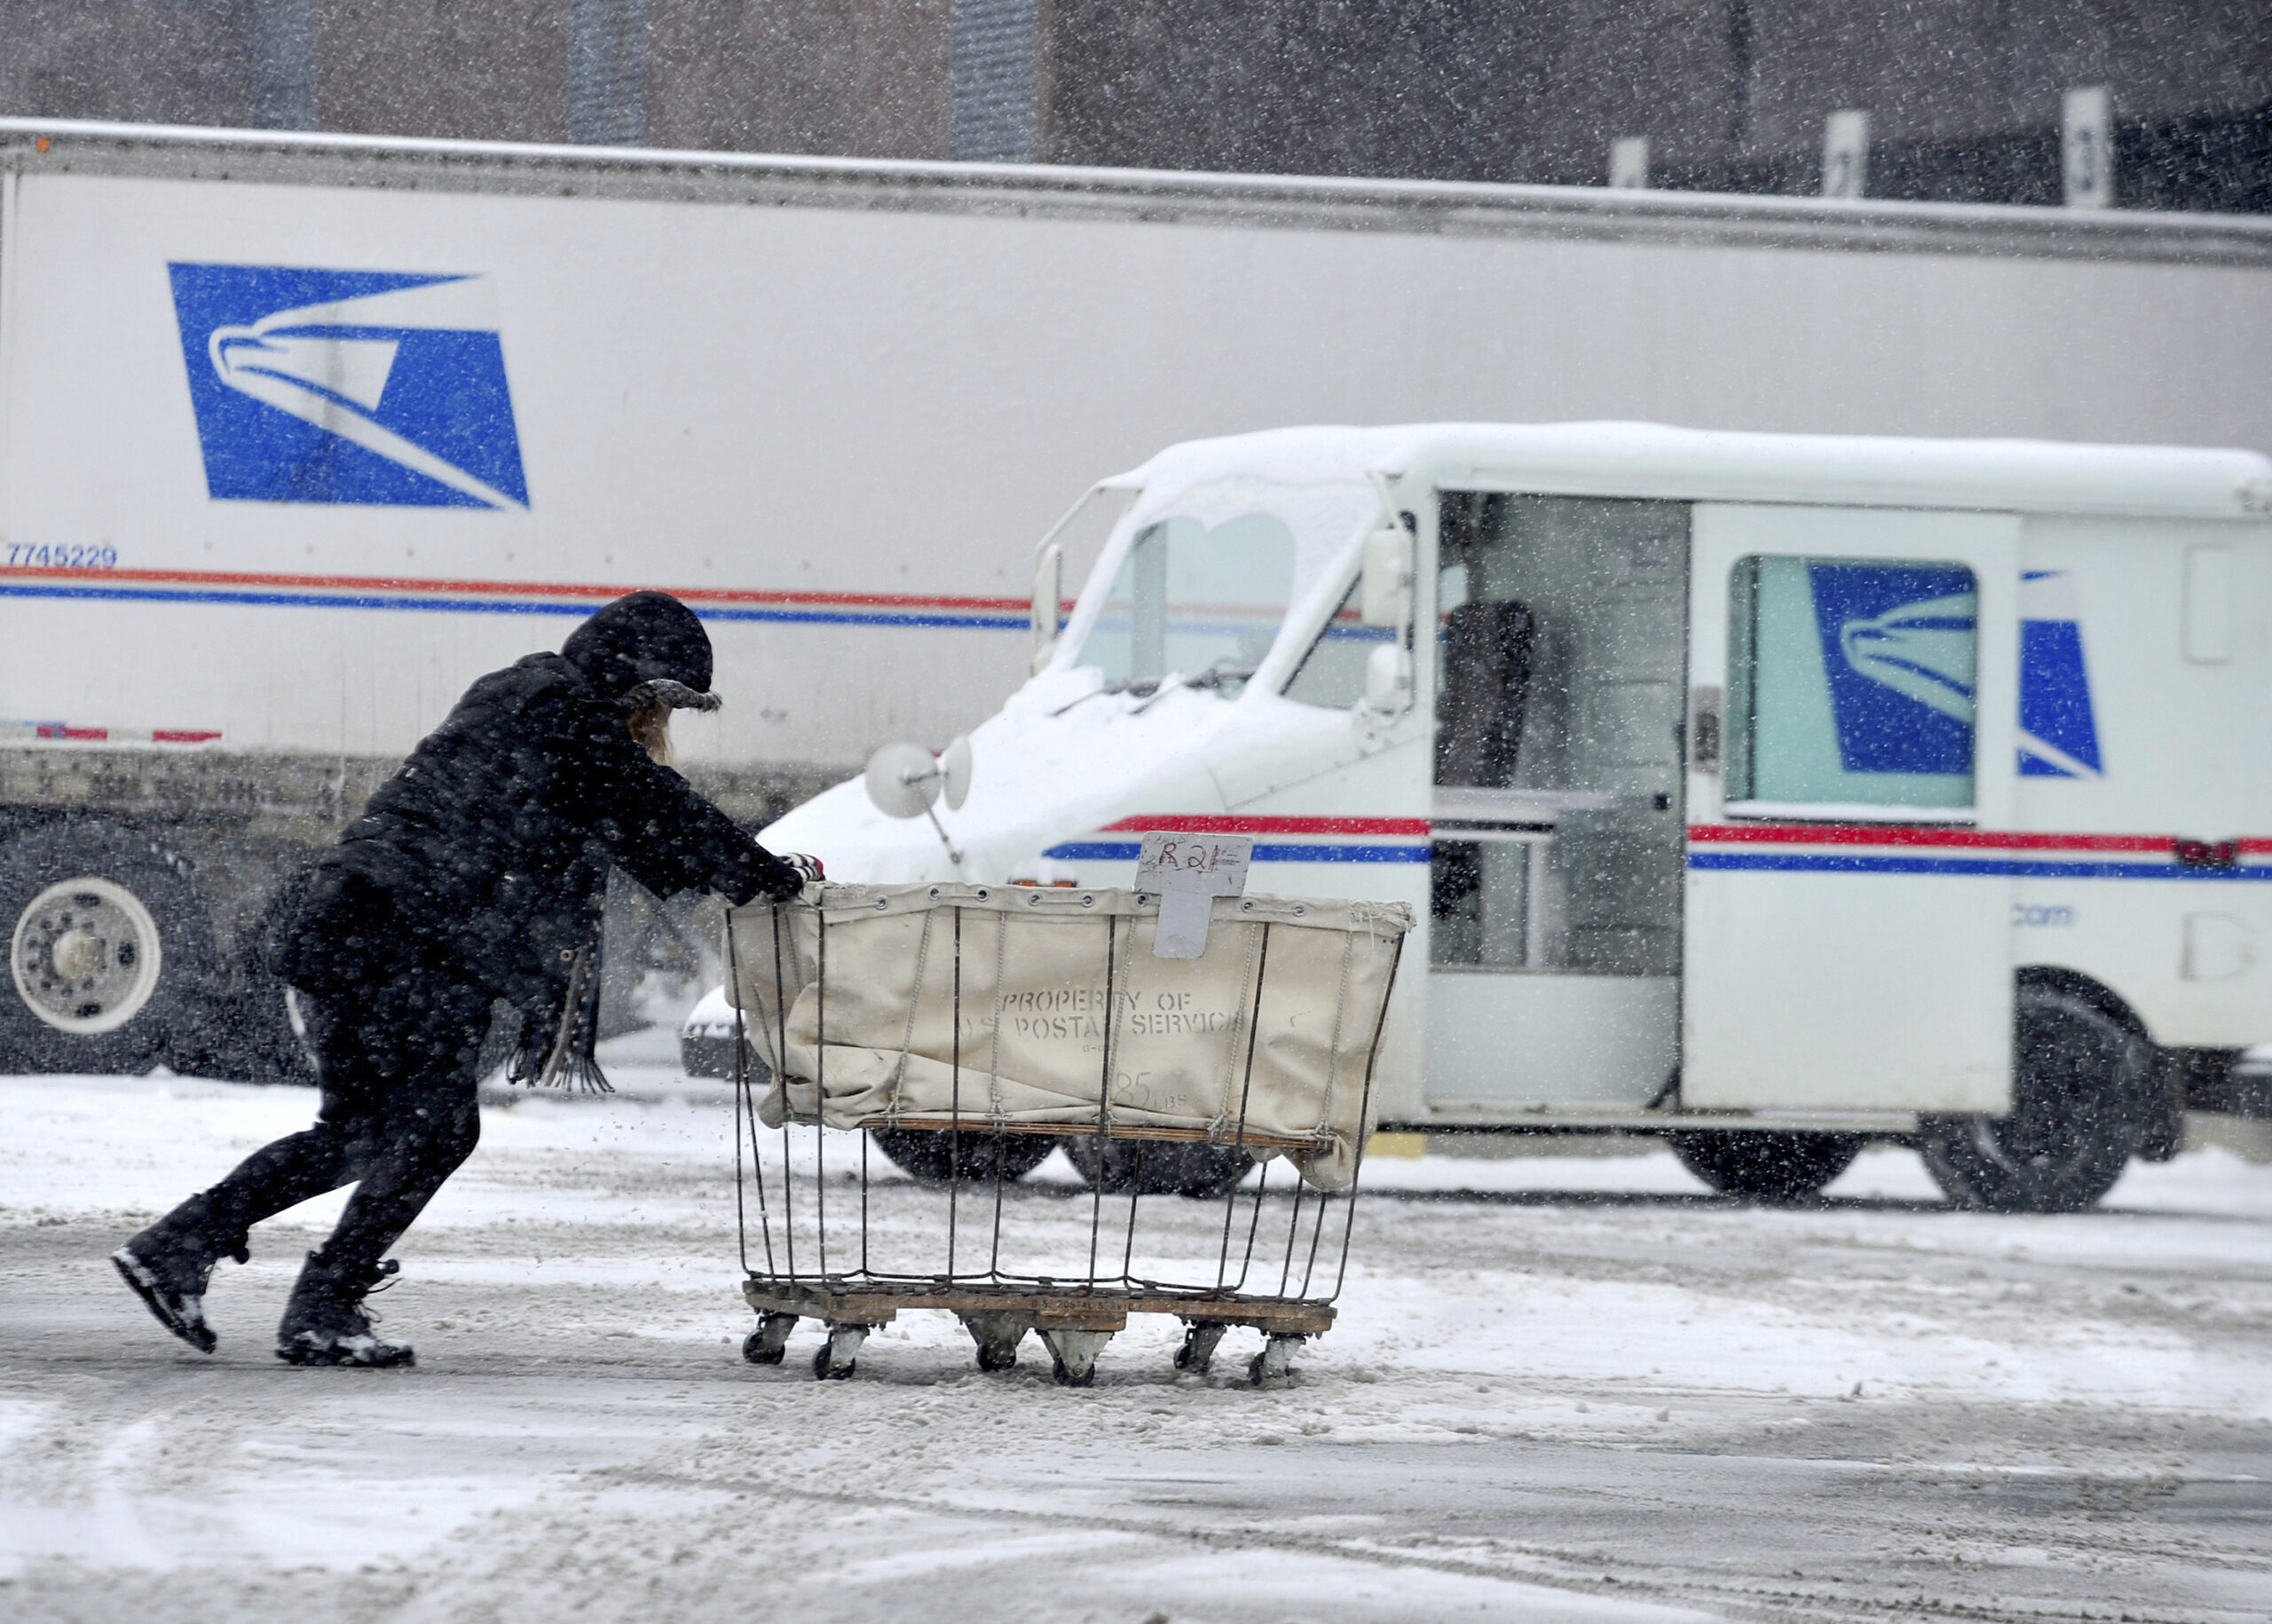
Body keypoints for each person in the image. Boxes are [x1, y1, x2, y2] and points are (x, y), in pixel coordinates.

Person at [112, 592, 819, 1368]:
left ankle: (185, 1248)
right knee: (434, 1133)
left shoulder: (521, 697)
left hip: (357, 924)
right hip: (409, 940)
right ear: (629, 680)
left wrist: (746, 873)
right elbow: (660, 811)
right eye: (658, 701)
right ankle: (317, 1300)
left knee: (361, 1133)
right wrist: (764, 874)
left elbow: (643, 836)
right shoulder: (563, 713)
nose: (659, 720)